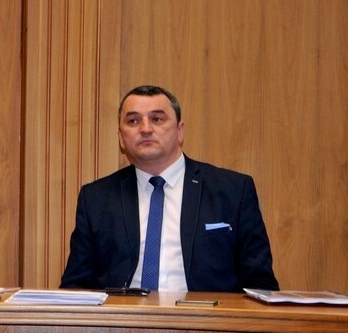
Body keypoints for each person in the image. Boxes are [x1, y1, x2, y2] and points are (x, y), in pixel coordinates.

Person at [60, 85, 278, 293]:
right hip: (123, 316)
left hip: (205, 316)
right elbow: (76, 287)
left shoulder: (233, 191)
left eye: (157, 119)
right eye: (133, 121)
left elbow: (260, 284)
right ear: (121, 138)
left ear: (180, 131)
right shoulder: (96, 198)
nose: (145, 129)